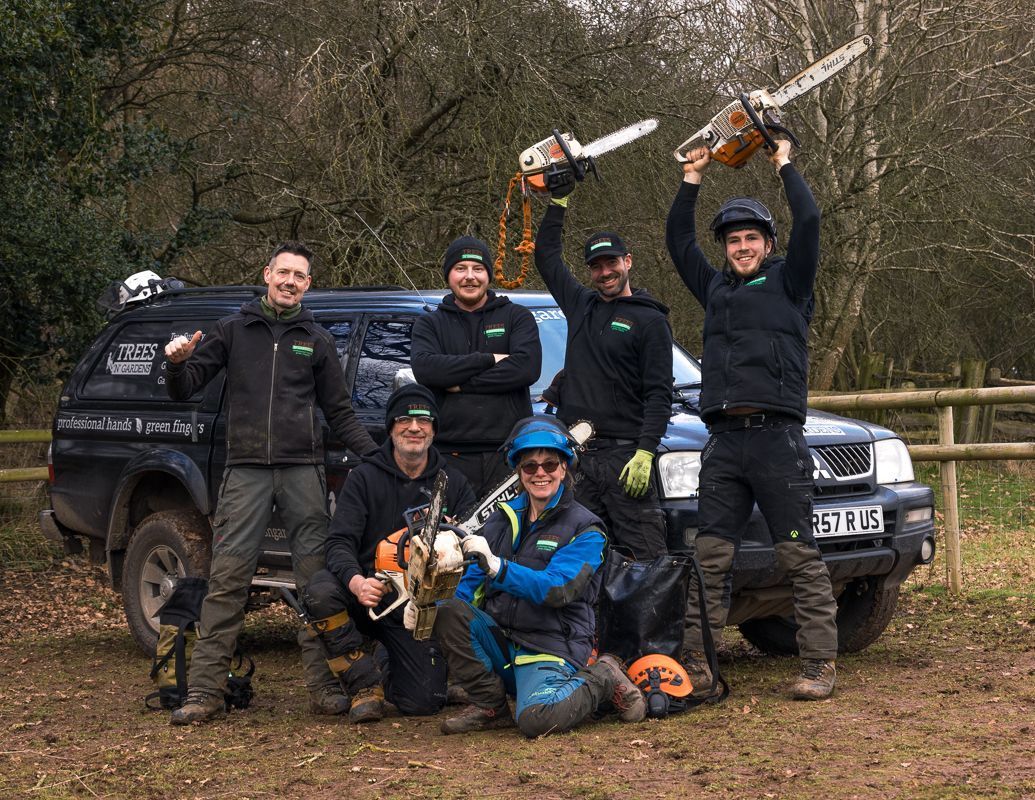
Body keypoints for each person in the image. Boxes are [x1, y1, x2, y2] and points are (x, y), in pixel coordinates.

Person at [163, 241, 378, 724]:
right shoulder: (233, 330)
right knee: (227, 581)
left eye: (299, 276)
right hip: (246, 471)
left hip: (303, 468)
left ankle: (324, 687)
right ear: (267, 274)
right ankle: (205, 692)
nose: (290, 282)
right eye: (283, 272)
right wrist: (176, 362)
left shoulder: (316, 340)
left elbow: (341, 413)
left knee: (316, 583)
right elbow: (185, 386)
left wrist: (378, 458)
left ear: (308, 285)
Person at [665, 140, 839, 700]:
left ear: (767, 243)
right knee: (710, 557)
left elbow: (809, 217)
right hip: (723, 442)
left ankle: (818, 665)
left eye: (751, 238)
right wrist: (693, 177)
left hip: (777, 440)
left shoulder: (792, 281)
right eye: (733, 240)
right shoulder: (714, 287)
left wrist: (782, 162)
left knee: (798, 555)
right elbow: (677, 240)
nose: (741, 247)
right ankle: (700, 662)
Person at [431, 415, 647, 737]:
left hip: (549, 645)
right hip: (504, 640)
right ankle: (490, 705)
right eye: (530, 466)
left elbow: (558, 589)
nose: (540, 473)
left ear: (564, 468)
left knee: (536, 719)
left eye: (549, 464)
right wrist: (429, 608)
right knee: (447, 611)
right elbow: (471, 584)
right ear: (519, 472)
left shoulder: (586, 529)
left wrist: (499, 568)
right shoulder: (502, 520)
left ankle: (603, 676)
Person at [303, 384, 477, 724]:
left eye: (424, 420)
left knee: (424, 702)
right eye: (405, 420)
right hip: (369, 591)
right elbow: (338, 543)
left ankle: (387, 661)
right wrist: (356, 583)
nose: (414, 427)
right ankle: (363, 684)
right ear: (391, 427)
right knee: (321, 590)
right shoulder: (364, 477)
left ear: (433, 429)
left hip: (415, 602)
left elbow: (474, 546)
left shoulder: (450, 482)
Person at [533, 184, 673, 560]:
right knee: (578, 559)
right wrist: (558, 202)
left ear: (628, 262)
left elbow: (660, 393)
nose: (605, 272)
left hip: (625, 460)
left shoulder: (651, 320)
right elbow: (546, 257)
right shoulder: (581, 306)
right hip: (577, 458)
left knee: (647, 560)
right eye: (596, 266)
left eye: (612, 263)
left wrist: (645, 451)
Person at [411, 236, 543, 498]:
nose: (469, 277)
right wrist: (488, 359)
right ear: (448, 275)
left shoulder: (517, 317)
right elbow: (427, 369)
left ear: (489, 275)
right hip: (448, 454)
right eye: (460, 269)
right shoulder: (430, 324)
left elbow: (526, 368)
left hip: (509, 454)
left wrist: (461, 383)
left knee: (508, 534)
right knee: (451, 536)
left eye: (478, 269)